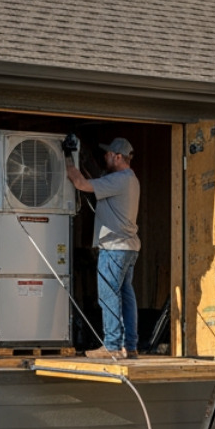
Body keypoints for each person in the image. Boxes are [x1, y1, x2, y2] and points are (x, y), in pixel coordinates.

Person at [65, 136, 141, 360]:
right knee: (126, 296)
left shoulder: (118, 180)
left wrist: (67, 157)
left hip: (114, 248)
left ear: (118, 157)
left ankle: (112, 345)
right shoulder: (130, 179)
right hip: (128, 248)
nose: (105, 157)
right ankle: (130, 346)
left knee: (108, 296)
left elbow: (80, 184)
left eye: (108, 154)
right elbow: (96, 180)